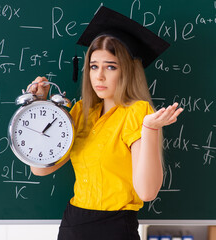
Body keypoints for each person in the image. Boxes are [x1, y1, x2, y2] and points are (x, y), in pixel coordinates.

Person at [28, 6, 183, 240]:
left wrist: (150, 129)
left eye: (110, 66)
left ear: (127, 71)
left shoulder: (137, 112)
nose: (99, 76)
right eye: (94, 66)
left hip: (115, 228)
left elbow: (147, 191)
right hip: (73, 224)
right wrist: (40, 107)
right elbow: (40, 168)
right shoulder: (80, 112)